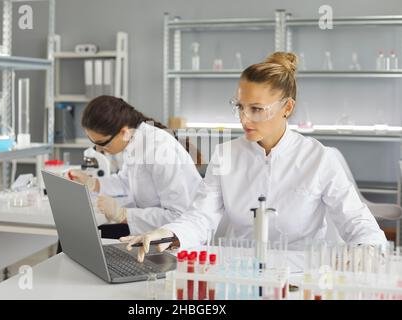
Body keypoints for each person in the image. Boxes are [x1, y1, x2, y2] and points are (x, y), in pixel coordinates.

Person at [121, 52, 387, 262]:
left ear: (288, 107)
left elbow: (357, 222)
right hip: (241, 270)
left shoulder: (319, 159)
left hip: (299, 273)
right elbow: (200, 217)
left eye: (257, 109)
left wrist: (367, 251)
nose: (244, 118)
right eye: (240, 106)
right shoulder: (226, 155)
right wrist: (169, 233)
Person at [69, 95, 202, 235]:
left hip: (180, 235)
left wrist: (123, 214)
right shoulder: (134, 141)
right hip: (151, 228)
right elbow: (126, 182)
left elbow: (179, 216)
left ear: (123, 132)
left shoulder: (160, 151)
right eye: (93, 142)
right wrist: (92, 183)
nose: (99, 149)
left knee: (87, 235)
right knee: (79, 231)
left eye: (102, 143)